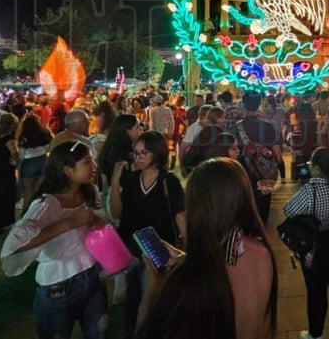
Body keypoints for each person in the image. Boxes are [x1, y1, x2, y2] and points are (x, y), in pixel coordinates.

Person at [137, 157, 278, 339]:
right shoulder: (260, 250)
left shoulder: (187, 284)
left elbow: (148, 329)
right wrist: (185, 259)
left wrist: (155, 285)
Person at [0, 140, 109, 339]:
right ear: (67, 170)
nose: (93, 166)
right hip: (58, 287)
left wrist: (97, 223)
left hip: (93, 276)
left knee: (98, 333)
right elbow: (13, 246)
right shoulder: (46, 205)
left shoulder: (89, 191)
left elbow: (101, 217)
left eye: (92, 160)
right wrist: (68, 223)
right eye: (87, 162)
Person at [111, 131, 187, 339]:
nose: (139, 157)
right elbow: (117, 212)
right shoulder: (132, 179)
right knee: (133, 297)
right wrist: (116, 182)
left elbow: (179, 215)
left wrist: (188, 248)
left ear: (157, 153)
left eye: (144, 153)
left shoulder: (168, 181)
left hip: (158, 251)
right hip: (131, 249)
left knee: (151, 300)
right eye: (136, 153)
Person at [283, 148, 329, 339]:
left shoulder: (310, 189)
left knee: (316, 291)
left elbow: (288, 209)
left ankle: (315, 334)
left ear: (315, 168)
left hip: (316, 244)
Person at [236, 91, 282, 224]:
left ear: (243, 104)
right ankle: (261, 232)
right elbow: (276, 149)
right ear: (259, 104)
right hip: (265, 171)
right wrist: (279, 165)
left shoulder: (237, 127)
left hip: (243, 170)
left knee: (246, 202)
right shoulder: (267, 126)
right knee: (263, 203)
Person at [17, 113, 53, 211]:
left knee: (28, 189)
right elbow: (49, 148)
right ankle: (37, 210)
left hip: (28, 161)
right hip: (42, 160)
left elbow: (21, 153)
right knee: (39, 188)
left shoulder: (23, 136)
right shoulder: (43, 134)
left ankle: (27, 210)